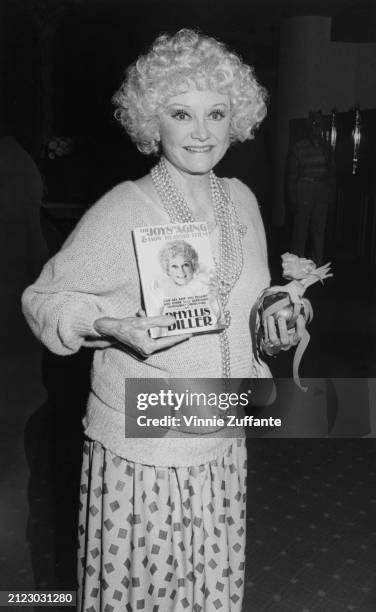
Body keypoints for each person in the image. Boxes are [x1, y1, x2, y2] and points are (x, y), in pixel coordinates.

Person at [22, 29, 305, 611]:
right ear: (153, 122)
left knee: (210, 591)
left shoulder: (244, 200)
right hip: (147, 450)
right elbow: (44, 298)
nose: (201, 132)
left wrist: (275, 324)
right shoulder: (124, 208)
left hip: (223, 435)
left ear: (237, 121)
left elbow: (240, 307)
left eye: (217, 113)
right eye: (182, 113)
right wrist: (108, 325)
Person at [287, 111, 336, 266]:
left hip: (321, 190)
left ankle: (317, 265)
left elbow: (332, 173)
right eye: (315, 124)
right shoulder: (298, 148)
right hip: (304, 189)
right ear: (309, 126)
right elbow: (291, 176)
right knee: (300, 230)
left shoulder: (327, 148)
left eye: (320, 125)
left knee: (319, 230)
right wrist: (293, 198)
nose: (318, 128)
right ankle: (296, 268)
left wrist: (331, 195)